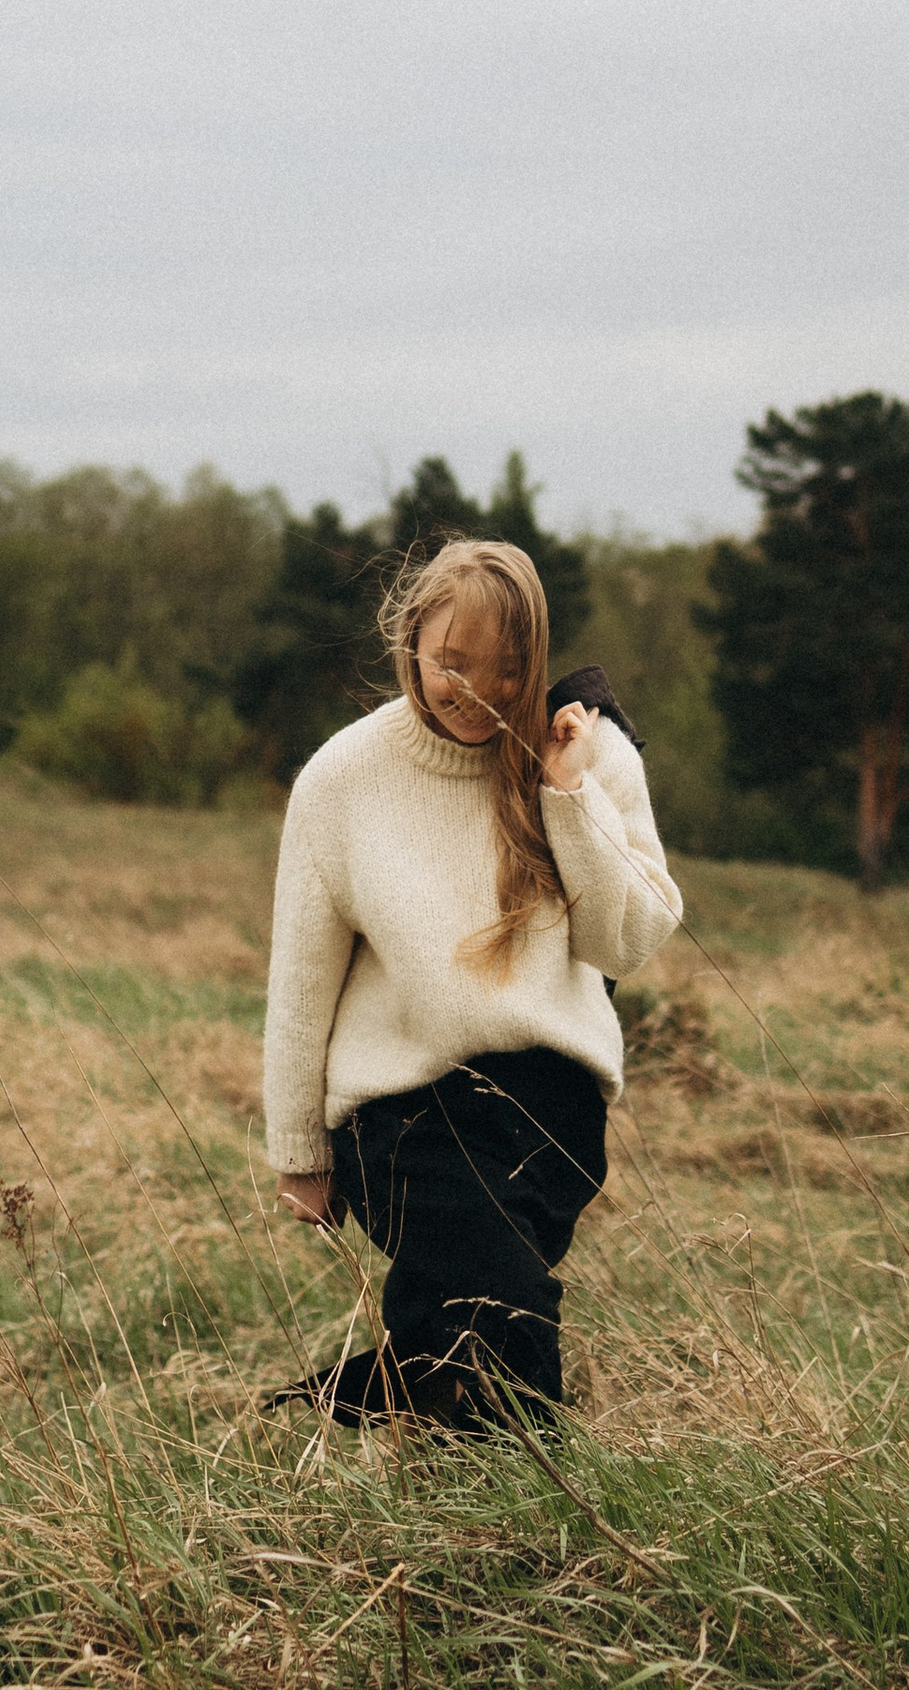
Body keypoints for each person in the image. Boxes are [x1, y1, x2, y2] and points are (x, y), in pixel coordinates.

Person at [261, 534, 681, 1430]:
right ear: (411, 637)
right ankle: (542, 1520)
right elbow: (301, 976)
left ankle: (366, 1422)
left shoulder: (591, 756)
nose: (474, 692)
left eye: (504, 670)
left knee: (458, 1326)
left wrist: (569, 797)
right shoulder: (343, 778)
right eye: (451, 662)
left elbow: (629, 940)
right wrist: (300, 1152)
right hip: (405, 1112)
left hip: (555, 1111)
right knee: (507, 1305)